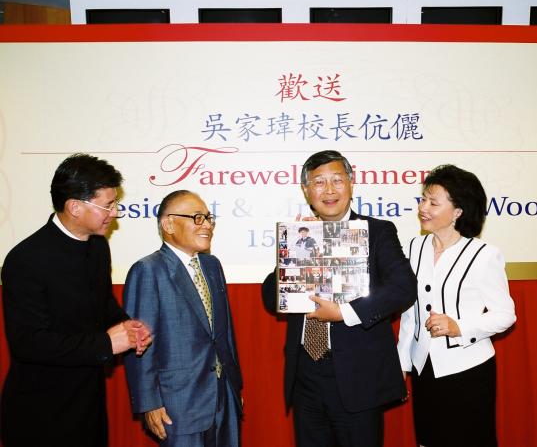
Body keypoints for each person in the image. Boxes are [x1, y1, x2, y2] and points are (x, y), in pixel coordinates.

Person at [262, 150, 418, 447]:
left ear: (351, 183)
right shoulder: (301, 236)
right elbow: (271, 299)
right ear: (307, 191)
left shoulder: (377, 231)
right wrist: (292, 255)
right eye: (319, 182)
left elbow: (403, 287)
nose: (329, 190)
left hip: (357, 376)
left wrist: (345, 313)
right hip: (306, 375)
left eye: (337, 180)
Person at [0, 153, 151, 447]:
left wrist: (127, 326)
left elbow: (102, 303)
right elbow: (28, 342)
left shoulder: (97, 247)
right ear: (74, 207)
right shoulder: (25, 260)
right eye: (107, 205)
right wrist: (106, 344)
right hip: (40, 413)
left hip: (88, 403)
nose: (115, 213)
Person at [397, 164, 517, 447]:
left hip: (468, 370)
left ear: (458, 212)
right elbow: (408, 313)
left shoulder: (485, 255)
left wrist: (459, 326)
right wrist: (401, 362)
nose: (423, 207)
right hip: (424, 367)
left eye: (433, 202)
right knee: (428, 439)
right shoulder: (414, 247)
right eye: (423, 199)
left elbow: (506, 315)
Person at [123, 190, 242, 447]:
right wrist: (149, 402)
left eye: (209, 218)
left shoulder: (212, 266)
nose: (207, 225)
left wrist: (234, 387)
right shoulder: (147, 270)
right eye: (197, 218)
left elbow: (224, 333)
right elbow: (138, 343)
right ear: (168, 224)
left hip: (223, 397)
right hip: (178, 404)